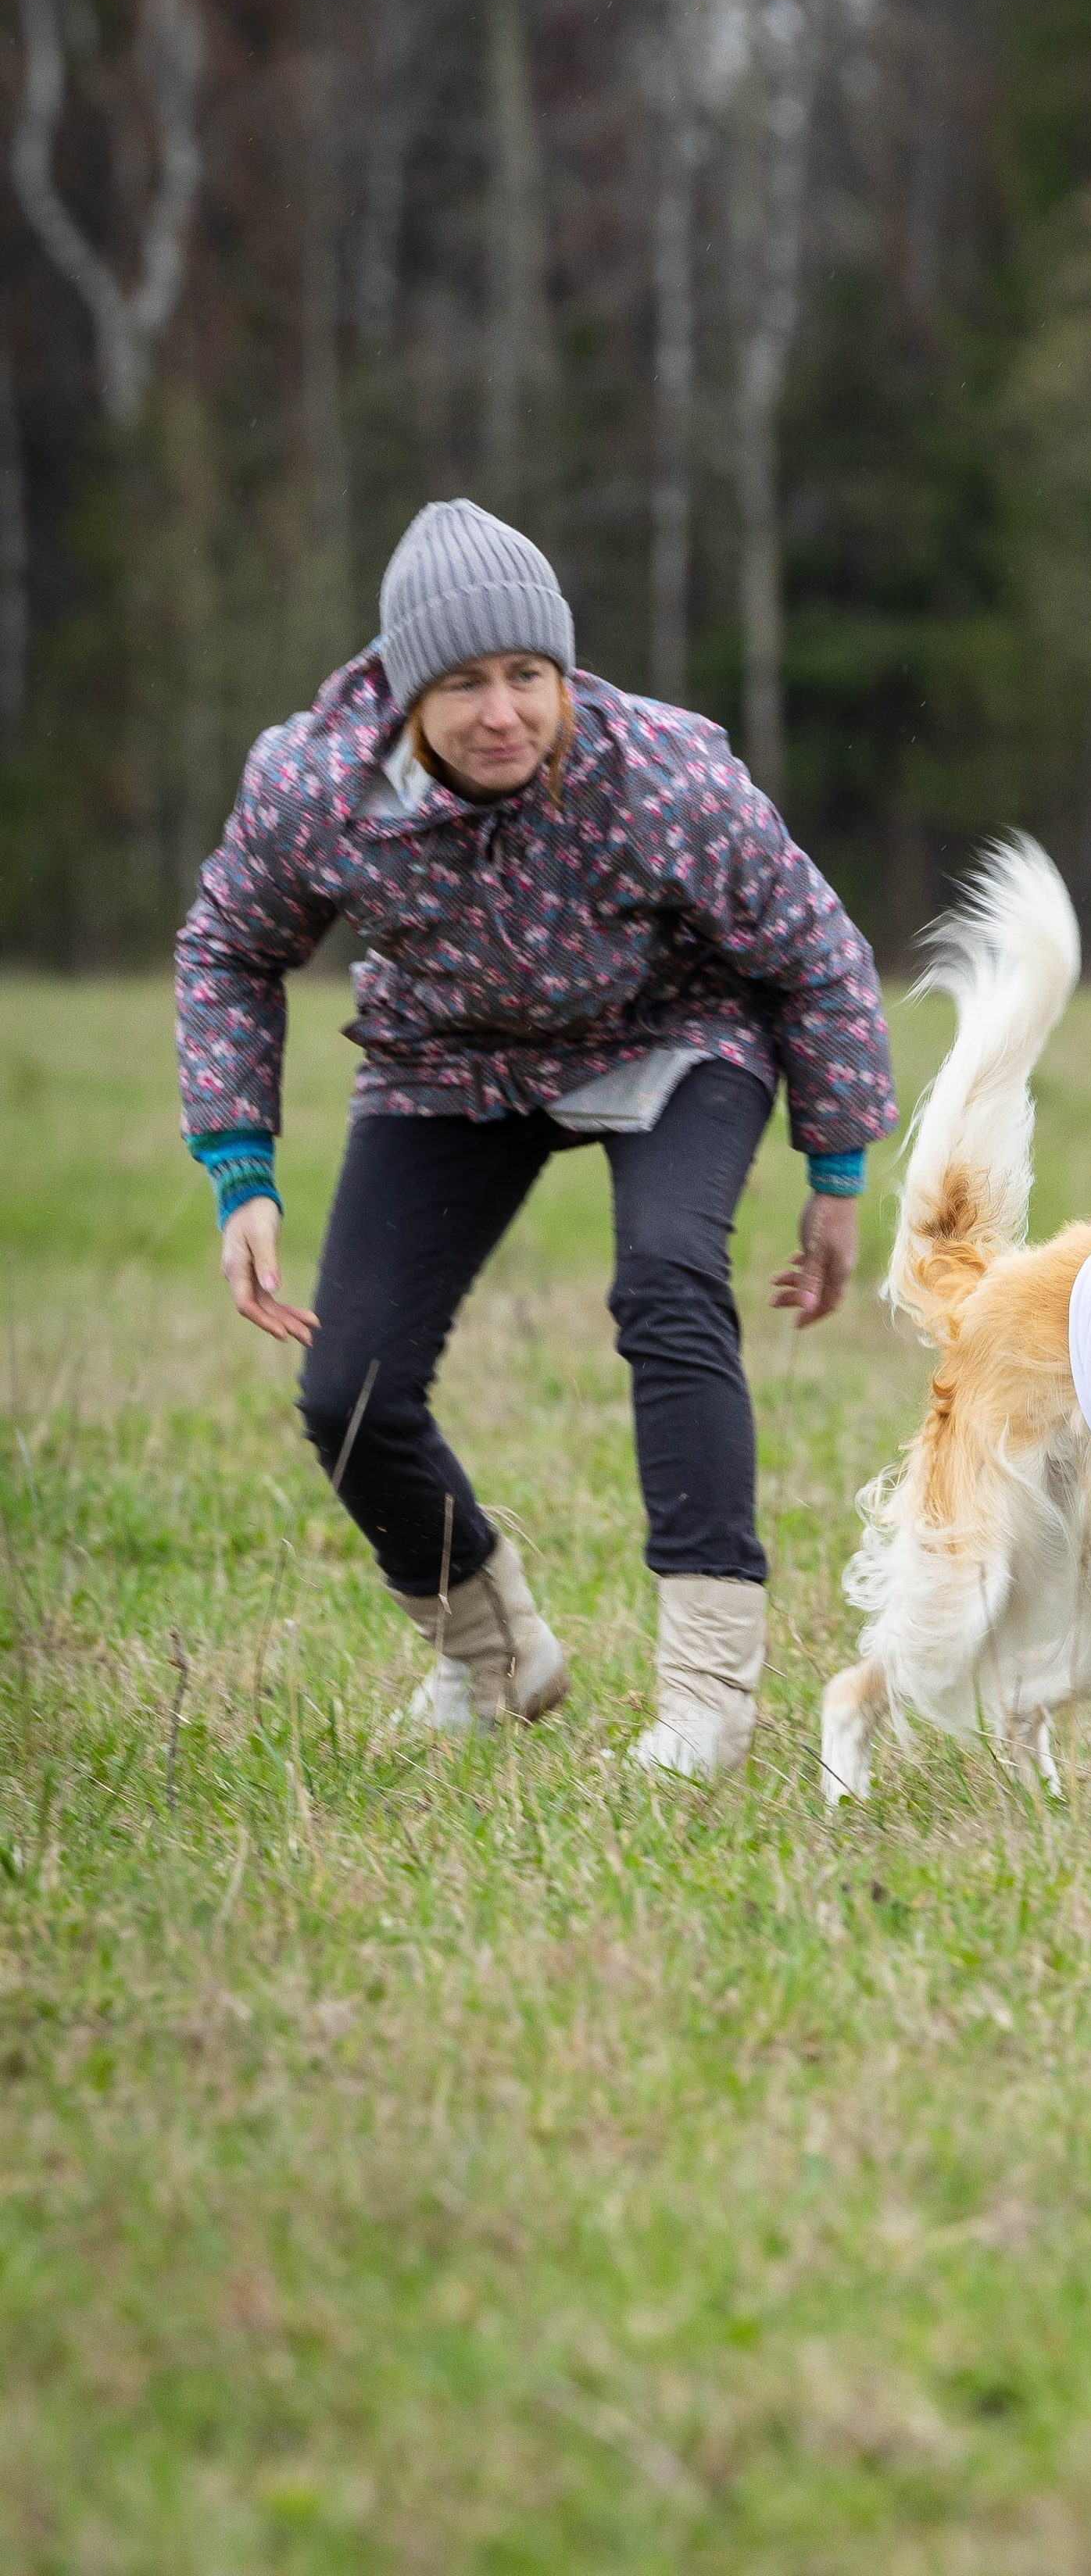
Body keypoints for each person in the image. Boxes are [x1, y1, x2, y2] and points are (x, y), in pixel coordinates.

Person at [175, 498, 897, 1776]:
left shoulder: (667, 775)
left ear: (565, 675)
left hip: (674, 1036)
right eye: (464, 684)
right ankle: (492, 1656)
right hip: (444, 1060)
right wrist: (241, 1166)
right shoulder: (311, 786)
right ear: (404, 699)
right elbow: (230, 947)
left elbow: (818, 957)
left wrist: (835, 1175)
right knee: (348, 1393)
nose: (503, 711)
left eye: (529, 675)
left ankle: (707, 1704)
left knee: (668, 1280)